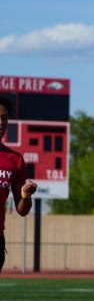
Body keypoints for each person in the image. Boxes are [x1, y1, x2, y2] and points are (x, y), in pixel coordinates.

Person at [0, 95, 37, 273]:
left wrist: (25, 194)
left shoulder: (14, 160)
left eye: (4, 118)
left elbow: (22, 210)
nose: (1, 123)